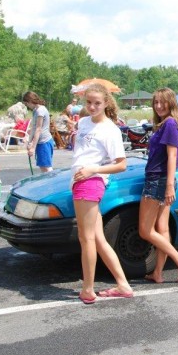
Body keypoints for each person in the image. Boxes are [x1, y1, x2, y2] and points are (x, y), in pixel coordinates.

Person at [72, 83, 134, 304]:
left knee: (86, 238)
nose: (92, 106)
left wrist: (92, 169)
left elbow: (121, 164)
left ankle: (88, 290)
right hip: (81, 180)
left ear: (106, 103)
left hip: (90, 182)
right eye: (88, 102)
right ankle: (123, 285)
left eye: (97, 103)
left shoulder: (110, 130)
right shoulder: (82, 123)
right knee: (96, 238)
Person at [139, 87, 178, 284]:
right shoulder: (167, 123)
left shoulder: (169, 123)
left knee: (145, 230)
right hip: (162, 180)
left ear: (171, 103)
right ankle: (158, 273)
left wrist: (169, 185)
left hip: (158, 181)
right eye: (156, 102)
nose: (159, 106)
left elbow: (172, 156)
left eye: (163, 102)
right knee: (162, 228)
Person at [22, 91, 55, 172]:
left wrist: (33, 147)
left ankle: (52, 183)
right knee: (42, 166)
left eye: (26, 104)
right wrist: (30, 142)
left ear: (30, 101)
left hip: (44, 142)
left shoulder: (40, 111)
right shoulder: (35, 111)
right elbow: (33, 127)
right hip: (40, 142)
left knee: (47, 167)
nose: (27, 106)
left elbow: (38, 129)